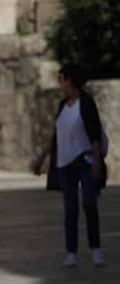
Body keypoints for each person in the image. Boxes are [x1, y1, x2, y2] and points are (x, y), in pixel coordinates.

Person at [33, 63, 107, 267]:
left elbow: (95, 136)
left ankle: (95, 248)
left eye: (61, 78)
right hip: (65, 164)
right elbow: (56, 137)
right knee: (71, 209)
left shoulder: (86, 103)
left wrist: (97, 162)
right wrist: (41, 158)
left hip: (85, 161)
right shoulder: (62, 105)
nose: (59, 82)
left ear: (70, 80)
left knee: (90, 205)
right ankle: (71, 252)